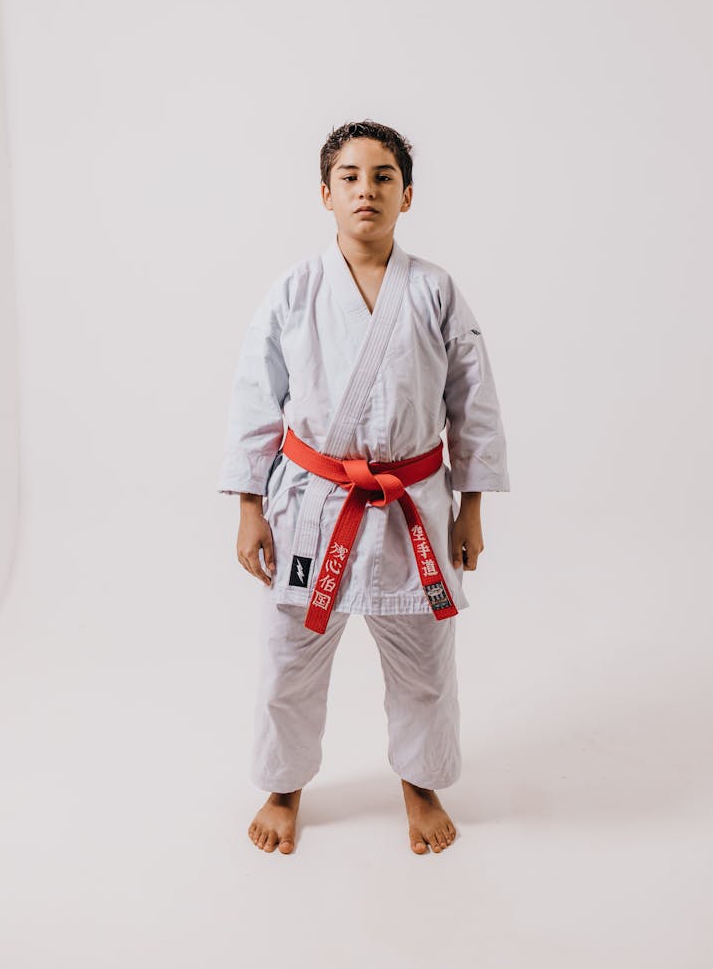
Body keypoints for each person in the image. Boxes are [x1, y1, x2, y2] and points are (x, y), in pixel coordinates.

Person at [217, 119, 510, 855]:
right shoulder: (295, 289)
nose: (366, 190)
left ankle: (420, 780)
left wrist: (471, 506)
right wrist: (251, 507)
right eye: (349, 176)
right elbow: (257, 399)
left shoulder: (436, 291)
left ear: (406, 195)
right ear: (325, 193)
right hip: (313, 507)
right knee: (289, 659)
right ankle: (284, 785)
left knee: (426, 662)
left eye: (382, 176)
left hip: (411, 506)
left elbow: (471, 402)